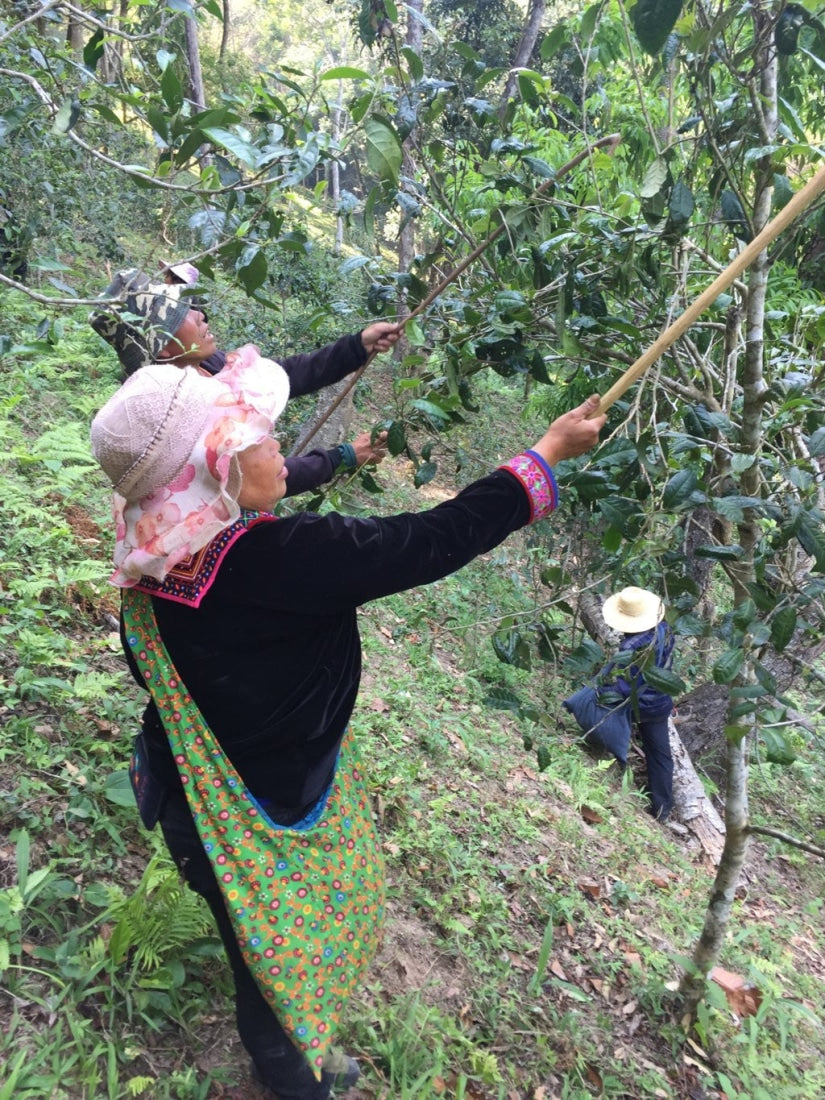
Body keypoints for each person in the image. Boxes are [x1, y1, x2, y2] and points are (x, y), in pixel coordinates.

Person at [89, 303, 605, 1098]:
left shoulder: (148, 574)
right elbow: (430, 541)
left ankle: (297, 1034)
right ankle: (293, 1070)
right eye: (254, 435)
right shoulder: (285, 559)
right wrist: (541, 457)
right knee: (267, 956)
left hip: (188, 800)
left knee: (266, 939)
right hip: (260, 819)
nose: (273, 447)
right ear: (218, 465)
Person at [90, 267, 397, 497]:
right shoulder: (167, 415)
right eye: (183, 313)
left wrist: (357, 347)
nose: (201, 316)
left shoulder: (203, 365)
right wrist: (341, 458)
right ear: (164, 346)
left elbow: (282, 374)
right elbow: (253, 476)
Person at [599, 586, 676, 822]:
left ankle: (602, 758)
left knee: (596, 707)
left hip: (637, 704)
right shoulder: (666, 631)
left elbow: (628, 686)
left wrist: (606, 690)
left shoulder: (632, 647)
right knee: (660, 755)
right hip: (661, 702)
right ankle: (662, 809)